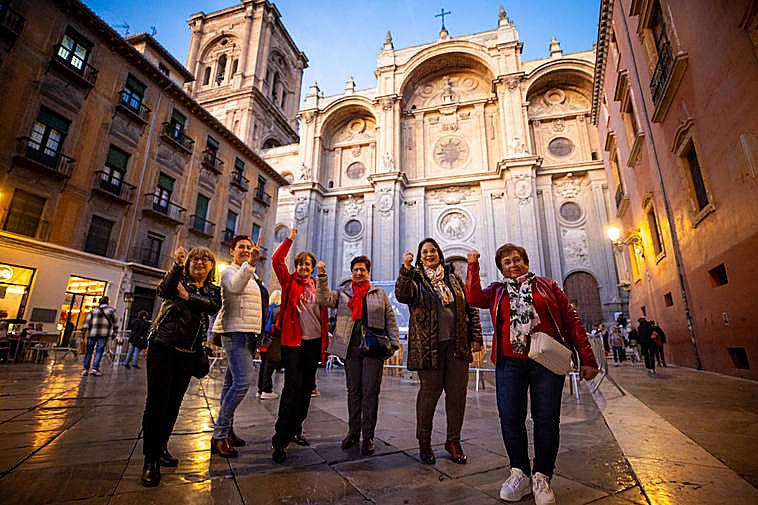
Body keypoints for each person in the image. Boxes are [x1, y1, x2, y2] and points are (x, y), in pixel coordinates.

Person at [466, 244, 598, 505]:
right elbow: (472, 298)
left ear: (526, 262)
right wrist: (472, 265)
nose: (512, 265)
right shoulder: (496, 290)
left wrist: (587, 358)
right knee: (510, 418)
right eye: (506, 262)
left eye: (517, 260)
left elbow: (571, 320)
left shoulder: (548, 285)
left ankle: (542, 476)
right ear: (501, 268)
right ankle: (519, 472)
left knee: (546, 418)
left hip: (546, 361)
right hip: (509, 363)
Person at [395, 238, 483, 466]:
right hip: (429, 347)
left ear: (439, 254)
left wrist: (476, 337)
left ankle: (453, 441)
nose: (429, 254)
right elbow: (402, 295)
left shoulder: (453, 279)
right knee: (428, 396)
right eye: (424, 251)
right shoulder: (415, 279)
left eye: (433, 250)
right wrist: (406, 269)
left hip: (456, 346)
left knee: (457, 397)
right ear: (419, 255)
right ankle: (424, 441)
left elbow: (470, 308)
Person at [140, 246, 221, 487]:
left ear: (211, 267)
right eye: (195, 258)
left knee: (173, 404)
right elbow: (163, 290)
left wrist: (187, 297)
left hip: (189, 353)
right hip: (163, 346)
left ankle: (161, 446)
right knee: (156, 403)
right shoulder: (177, 280)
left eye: (206, 259)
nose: (200, 262)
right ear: (188, 264)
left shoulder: (213, 291)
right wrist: (176, 265)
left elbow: (212, 306)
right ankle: (150, 459)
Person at [316, 255, 399, 456]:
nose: (359, 273)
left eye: (363, 270)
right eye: (356, 270)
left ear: (368, 272)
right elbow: (323, 299)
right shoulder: (343, 293)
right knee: (354, 392)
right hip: (350, 348)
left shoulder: (378, 293)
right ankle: (353, 433)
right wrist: (322, 276)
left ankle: (368, 436)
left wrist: (394, 342)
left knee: (370, 393)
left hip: (373, 349)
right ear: (351, 272)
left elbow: (390, 317)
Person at [270, 228, 329, 463]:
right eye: (301, 264)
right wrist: (290, 239)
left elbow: (325, 308)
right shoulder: (289, 282)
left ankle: (296, 429)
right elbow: (276, 260)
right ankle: (280, 439)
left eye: (308, 264)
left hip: (313, 343)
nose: (304, 267)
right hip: (293, 342)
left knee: (306, 389)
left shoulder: (317, 285)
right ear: (296, 266)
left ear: (312, 267)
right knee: (291, 387)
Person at [210, 235, 269, 457]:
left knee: (230, 383)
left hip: (249, 334)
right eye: (241, 247)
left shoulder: (251, 275)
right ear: (231, 251)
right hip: (234, 332)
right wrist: (251, 264)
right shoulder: (228, 272)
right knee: (243, 381)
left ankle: (227, 431)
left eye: (248, 247)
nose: (245, 250)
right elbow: (234, 289)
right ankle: (219, 435)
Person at [81, 296, 117, 377]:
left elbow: (86, 323)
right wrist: (114, 333)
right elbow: (115, 323)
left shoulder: (93, 310)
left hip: (92, 333)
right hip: (103, 334)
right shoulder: (111, 311)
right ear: (108, 302)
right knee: (99, 352)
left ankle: (85, 369)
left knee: (88, 352)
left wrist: (83, 333)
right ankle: (94, 368)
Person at [257, 290, 282, 399]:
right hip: (273, 340)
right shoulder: (278, 310)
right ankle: (266, 389)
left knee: (263, 365)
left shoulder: (267, 308)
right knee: (270, 365)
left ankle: (260, 389)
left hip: (264, 339)